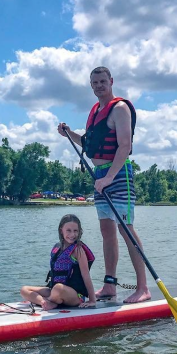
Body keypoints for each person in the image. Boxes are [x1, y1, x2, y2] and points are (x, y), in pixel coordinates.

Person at [56, 66, 149, 304]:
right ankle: (110, 285)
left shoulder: (119, 108)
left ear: (111, 81)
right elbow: (88, 143)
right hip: (100, 175)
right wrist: (69, 134)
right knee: (107, 231)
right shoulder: (95, 110)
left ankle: (143, 288)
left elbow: (125, 145)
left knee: (125, 229)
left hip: (118, 176)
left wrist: (109, 177)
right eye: (94, 82)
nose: (98, 86)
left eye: (102, 81)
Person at [20, 214, 97, 309]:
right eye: (68, 230)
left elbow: (86, 275)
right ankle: (44, 302)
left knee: (58, 288)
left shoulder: (78, 250)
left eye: (75, 231)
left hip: (75, 295)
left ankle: (49, 300)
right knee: (24, 289)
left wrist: (92, 300)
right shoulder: (57, 248)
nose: (72, 234)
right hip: (54, 291)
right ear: (61, 231)